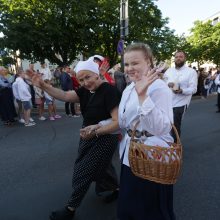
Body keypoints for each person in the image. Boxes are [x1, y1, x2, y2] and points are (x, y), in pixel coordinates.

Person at [28, 58, 121, 220]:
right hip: (87, 134)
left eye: (88, 77)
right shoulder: (85, 91)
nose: (85, 82)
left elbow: (118, 122)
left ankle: (70, 208)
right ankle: (116, 189)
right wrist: (43, 85)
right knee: (103, 166)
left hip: (104, 137)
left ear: (97, 74)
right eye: (81, 79)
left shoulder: (110, 91)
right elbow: (64, 95)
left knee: (83, 170)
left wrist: (96, 131)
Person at [117, 42, 175, 220]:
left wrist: (143, 96)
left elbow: (162, 127)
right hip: (131, 155)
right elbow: (124, 121)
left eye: (135, 63)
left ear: (148, 62)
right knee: (130, 203)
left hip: (152, 156)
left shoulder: (159, 88)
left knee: (150, 208)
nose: (129, 68)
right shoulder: (128, 88)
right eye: (126, 64)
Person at [164, 51, 197, 138]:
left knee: (175, 126)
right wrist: (168, 84)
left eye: (181, 57)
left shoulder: (191, 72)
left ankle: (176, 148)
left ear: (185, 58)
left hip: (180, 103)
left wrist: (182, 90)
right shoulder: (169, 71)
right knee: (166, 125)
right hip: (167, 102)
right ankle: (167, 145)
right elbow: (164, 82)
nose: (178, 58)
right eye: (176, 57)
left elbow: (194, 89)